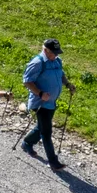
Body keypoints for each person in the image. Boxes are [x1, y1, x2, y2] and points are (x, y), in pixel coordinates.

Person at [21, 37, 72, 170]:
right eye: (54, 52)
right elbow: (27, 81)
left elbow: (61, 75)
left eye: (57, 52)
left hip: (51, 102)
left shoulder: (57, 61)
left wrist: (67, 84)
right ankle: (53, 161)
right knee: (46, 132)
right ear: (45, 50)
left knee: (41, 127)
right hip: (40, 103)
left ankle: (27, 143)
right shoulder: (38, 63)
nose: (56, 55)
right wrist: (40, 93)